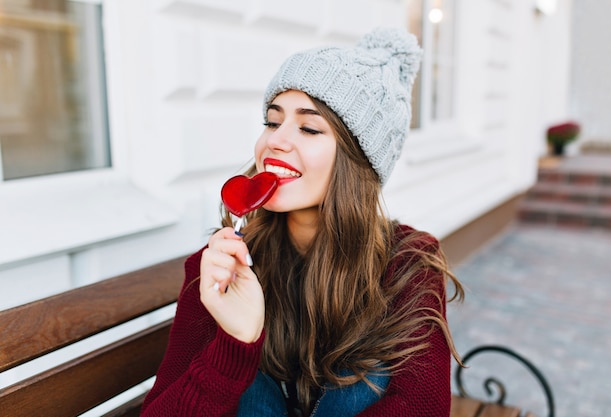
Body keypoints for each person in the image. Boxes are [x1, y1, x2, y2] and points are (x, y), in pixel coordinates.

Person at [141, 27, 464, 417]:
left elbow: (422, 409)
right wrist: (235, 342)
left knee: (365, 364)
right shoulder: (220, 268)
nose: (275, 140)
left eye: (309, 127)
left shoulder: (408, 262)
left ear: (358, 161)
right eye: (272, 122)